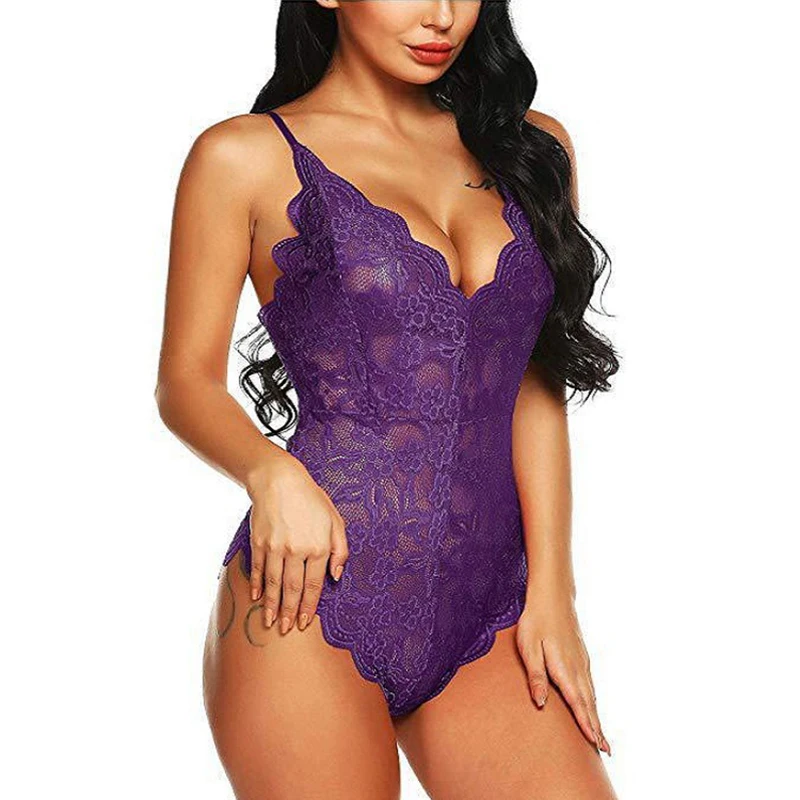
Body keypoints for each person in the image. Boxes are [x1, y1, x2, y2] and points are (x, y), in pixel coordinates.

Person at [155, 2, 619, 798]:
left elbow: (533, 385)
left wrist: (554, 590)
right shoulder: (244, 156)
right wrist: (271, 475)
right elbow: (184, 383)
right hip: (309, 600)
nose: (441, 16)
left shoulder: (533, 148)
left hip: (491, 610)